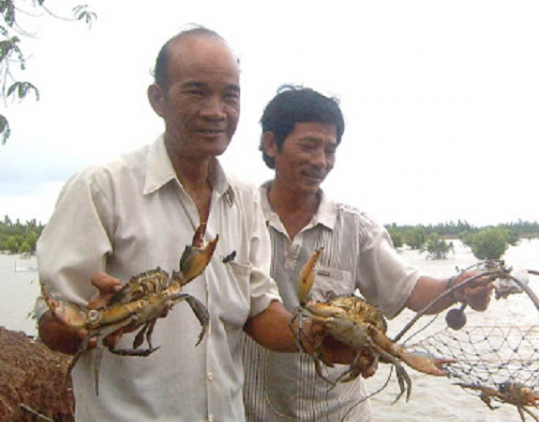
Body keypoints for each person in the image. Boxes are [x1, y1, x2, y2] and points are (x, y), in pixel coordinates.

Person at [35, 28, 348, 421]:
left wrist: (319, 337)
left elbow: (258, 311)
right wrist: (88, 324)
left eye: (229, 95)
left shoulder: (246, 199)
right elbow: (52, 325)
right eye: (196, 91)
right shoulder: (102, 188)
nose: (216, 111)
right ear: (158, 99)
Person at [241, 85, 495, 422]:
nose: (320, 161)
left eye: (330, 150)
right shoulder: (238, 218)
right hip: (249, 411)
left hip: (340, 414)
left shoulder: (355, 228)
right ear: (272, 144)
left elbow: (409, 289)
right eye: (309, 146)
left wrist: (456, 285)